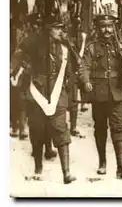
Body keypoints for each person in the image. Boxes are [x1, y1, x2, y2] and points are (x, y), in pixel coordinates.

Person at [12, 14, 76, 184]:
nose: (60, 31)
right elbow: (19, 56)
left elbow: (70, 69)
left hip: (57, 91)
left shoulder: (64, 47)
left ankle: (66, 173)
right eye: (56, 28)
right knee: (37, 130)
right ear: (48, 29)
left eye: (61, 27)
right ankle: (38, 168)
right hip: (37, 93)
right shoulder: (33, 43)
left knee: (61, 128)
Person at [80, 14, 122, 179]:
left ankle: (121, 166)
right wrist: (86, 81)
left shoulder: (120, 46)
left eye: (110, 26)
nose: (107, 30)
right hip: (100, 93)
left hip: (117, 92)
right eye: (103, 26)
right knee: (101, 128)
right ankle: (102, 162)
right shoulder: (92, 47)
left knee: (118, 128)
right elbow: (84, 67)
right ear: (98, 28)